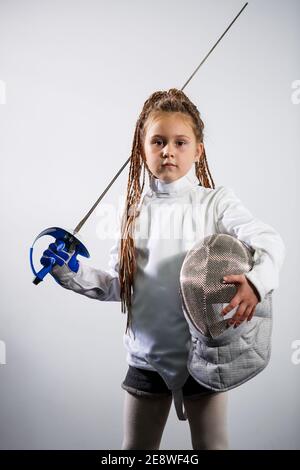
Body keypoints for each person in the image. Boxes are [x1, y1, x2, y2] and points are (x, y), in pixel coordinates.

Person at [40, 88, 286, 450]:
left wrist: (255, 281)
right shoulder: (133, 210)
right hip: (147, 357)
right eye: (157, 141)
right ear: (142, 148)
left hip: (204, 356)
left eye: (180, 142)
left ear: (198, 150)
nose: (168, 150)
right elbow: (120, 287)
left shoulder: (215, 203)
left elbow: (270, 239)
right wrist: (70, 272)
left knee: (213, 448)